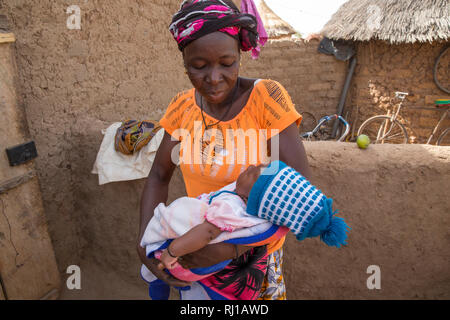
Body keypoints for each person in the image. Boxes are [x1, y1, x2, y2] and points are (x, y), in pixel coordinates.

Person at [137, 0, 312, 300]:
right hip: (193, 249)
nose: (214, 78)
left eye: (227, 63)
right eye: (199, 66)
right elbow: (158, 177)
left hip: (253, 258)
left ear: (240, 54)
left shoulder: (265, 99)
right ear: (184, 62)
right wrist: (145, 244)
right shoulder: (182, 108)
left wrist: (231, 248)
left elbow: (296, 188)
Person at [153, 161, 349, 271]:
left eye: (254, 174)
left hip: (179, 243)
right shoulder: (254, 208)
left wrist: (172, 252)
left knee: (153, 261)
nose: (251, 166)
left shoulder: (230, 210)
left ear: (249, 199)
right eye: (261, 165)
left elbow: (206, 233)